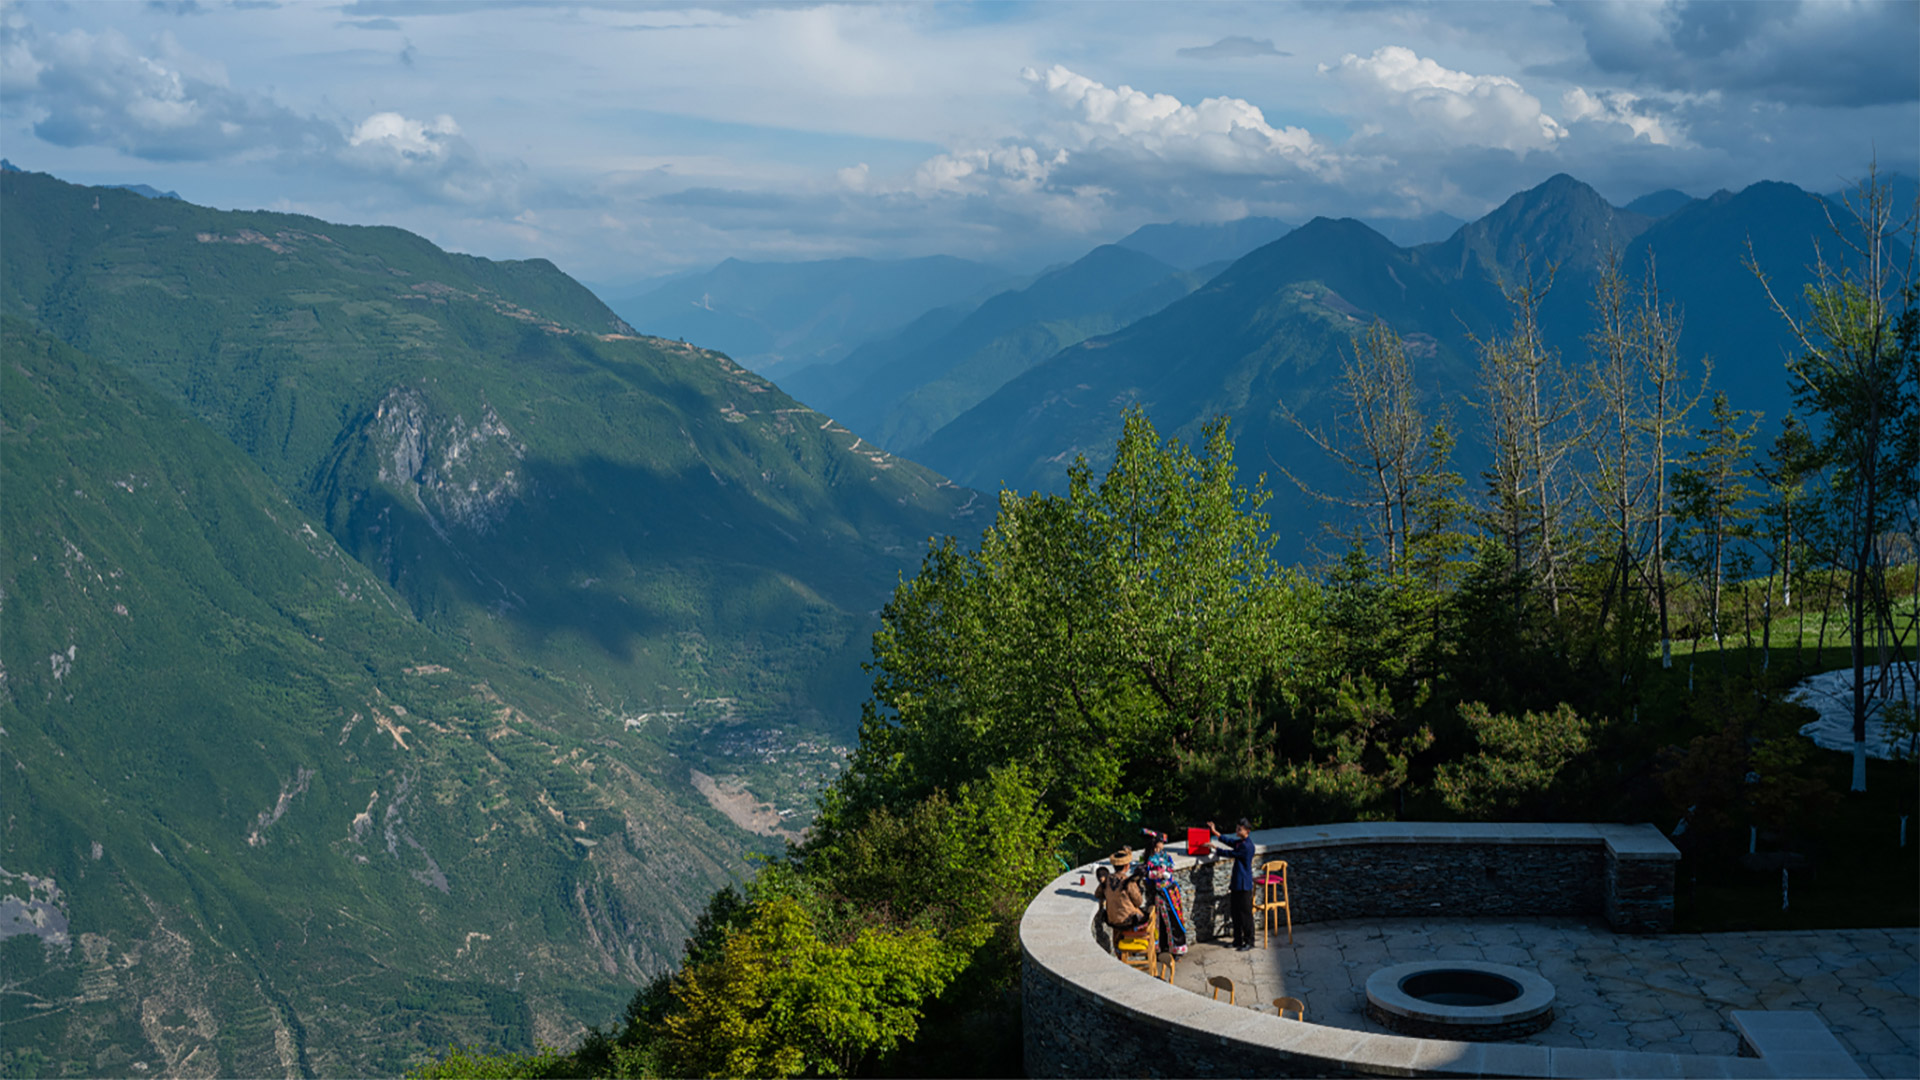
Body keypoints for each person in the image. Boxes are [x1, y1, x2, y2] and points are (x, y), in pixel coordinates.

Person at [1209, 818, 1256, 951]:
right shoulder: (1241, 842)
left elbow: (1231, 853)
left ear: (1247, 831)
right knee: (1235, 912)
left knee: (1245, 915)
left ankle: (1249, 941)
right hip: (1237, 883)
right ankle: (1237, 940)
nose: (1237, 831)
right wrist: (1216, 833)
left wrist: (1215, 848)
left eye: (1239, 829)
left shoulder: (1247, 846)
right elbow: (1230, 842)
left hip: (1244, 885)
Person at [1140, 829, 1190, 955]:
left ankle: (1178, 947)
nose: (1163, 845)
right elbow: (1147, 873)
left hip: (1171, 891)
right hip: (1161, 893)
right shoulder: (1150, 858)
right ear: (1156, 843)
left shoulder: (1164, 855)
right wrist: (1157, 874)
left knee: (1175, 918)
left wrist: (1167, 872)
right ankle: (1164, 947)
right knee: (1163, 921)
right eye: (1161, 842)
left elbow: (1170, 867)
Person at [1093, 849, 1148, 932]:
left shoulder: (1107, 880)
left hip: (1111, 919)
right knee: (1150, 913)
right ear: (1126, 866)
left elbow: (1098, 894)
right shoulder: (1128, 882)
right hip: (1128, 920)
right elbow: (1138, 902)